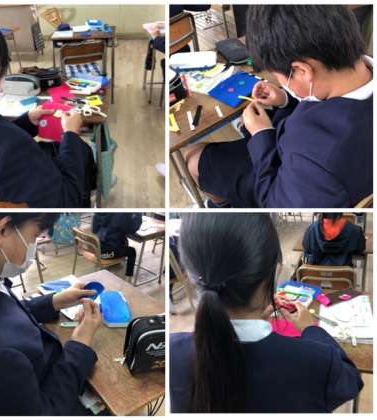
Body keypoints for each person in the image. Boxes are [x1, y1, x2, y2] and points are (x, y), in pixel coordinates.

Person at [170, 213, 363, 413]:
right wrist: (311, 330)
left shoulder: (172, 353)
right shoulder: (317, 361)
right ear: (275, 272)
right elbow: (351, 381)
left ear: (191, 276)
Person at [185, 5, 372, 208]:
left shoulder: (317, 157)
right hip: (313, 169)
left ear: (301, 71)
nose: (282, 82)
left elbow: (275, 203)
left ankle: (221, 206)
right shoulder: (352, 79)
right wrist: (285, 99)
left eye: (278, 75)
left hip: (282, 176)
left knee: (193, 157)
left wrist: (261, 135)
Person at [0, 213, 103, 415]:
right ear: (2, 230)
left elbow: (2, 311)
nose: (34, 244)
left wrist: (55, 301)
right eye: (35, 235)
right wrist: (80, 345)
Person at [0, 10, 95, 208]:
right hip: (44, 200)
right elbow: (67, 201)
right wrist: (71, 135)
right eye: (1, 68)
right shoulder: (11, 145)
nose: (3, 76)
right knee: (85, 151)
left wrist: (26, 122)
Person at [92, 213, 143, 278]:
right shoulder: (124, 214)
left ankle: (117, 265)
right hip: (105, 254)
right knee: (132, 251)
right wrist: (138, 216)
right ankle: (128, 277)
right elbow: (131, 230)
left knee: (120, 241)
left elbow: (94, 230)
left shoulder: (99, 213)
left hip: (96, 250)